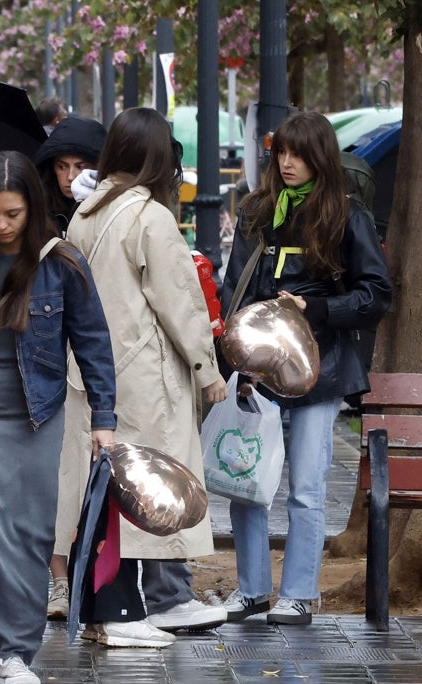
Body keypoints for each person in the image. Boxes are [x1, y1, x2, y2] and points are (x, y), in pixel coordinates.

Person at [0, 151, 117, 684]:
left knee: (29, 535)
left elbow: (93, 344)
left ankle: (16, 651)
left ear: (31, 208)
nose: (1, 224)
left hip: (37, 411)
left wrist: (104, 420)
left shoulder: (62, 263)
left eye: (11, 213)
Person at [59, 107, 229, 646]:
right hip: (146, 376)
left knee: (110, 491)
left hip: (94, 375)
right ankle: (162, 601)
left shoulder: (84, 213)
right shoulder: (150, 218)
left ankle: (124, 601)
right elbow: (181, 303)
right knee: (160, 485)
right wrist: (208, 370)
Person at [220, 110, 392, 626]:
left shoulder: (345, 214)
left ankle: (299, 592)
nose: (288, 163)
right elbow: (236, 289)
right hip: (259, 368)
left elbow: (376, 293)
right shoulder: (256, 211)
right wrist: (239, 361)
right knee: (245, 480)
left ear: (320, 157)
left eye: (299, 154)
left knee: (307, 488)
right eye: (281, 153)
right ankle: (251, 590)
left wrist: (316, 309)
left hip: (321, 370)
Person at [32, 114, 107, 619]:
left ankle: (94, 578)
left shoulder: (110, 212)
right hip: (49, 360)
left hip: (97, 358)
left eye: (81, 166)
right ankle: (57, 578)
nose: (69, 176)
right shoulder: (39, 216)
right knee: (60, 474)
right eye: (62, 165)